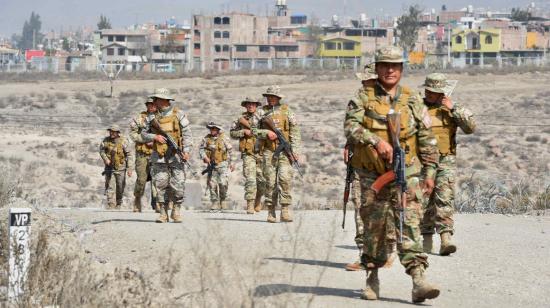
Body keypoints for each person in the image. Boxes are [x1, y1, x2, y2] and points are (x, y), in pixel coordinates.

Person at [344, 45, 440, 303]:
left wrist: (430, 171)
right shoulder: (363, 97)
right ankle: (372, 278)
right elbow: (350, 127)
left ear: (401, 70)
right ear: (376, 69)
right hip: (372, 175)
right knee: (374, 229)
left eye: (395, 66)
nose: (389, 70)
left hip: (407, 172)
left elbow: (426, 137)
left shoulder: (412, 99)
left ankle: (418, 279)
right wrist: (375, 141)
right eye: (385, 65)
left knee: (408, 224)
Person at [420, 73, 476, 256]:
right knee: (424, 200)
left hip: (445, 160)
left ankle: (445, 239)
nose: (429, 94)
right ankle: (426, 241)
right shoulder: (417, 107)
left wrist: (454, 109)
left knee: (444, 198)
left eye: (434, 91)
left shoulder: (451, 109)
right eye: (428, 90)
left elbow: (471, 128)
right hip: (422, 161)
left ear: (442, 93)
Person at [344, 64, 381, 271]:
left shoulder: (392, 101)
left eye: (370, 80)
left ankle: (385, 251)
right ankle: (365, 255)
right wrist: (349, 145)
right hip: (361, 162)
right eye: (365, 80)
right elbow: (351, 128)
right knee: (360, 207)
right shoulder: (357, 101)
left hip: (386, 164)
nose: (365, 83)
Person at [141, 88, 193, 223]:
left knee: (178, 184)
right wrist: (155, 136)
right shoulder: (151, 117)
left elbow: (187, 134)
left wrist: (186, 151)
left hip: (176, 155)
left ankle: (176, 210)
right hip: (159, 156)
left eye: (156, 99)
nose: (154, 102)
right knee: (160, 184)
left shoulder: (179, 115)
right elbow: (143, 134)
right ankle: (163, 213)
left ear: (164, 100)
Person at [256, 86, 301, 223]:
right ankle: (271, 211)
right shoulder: (261, 112)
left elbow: (295, 131)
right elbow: (252, 130)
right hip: (269, 151)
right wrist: (266, 133)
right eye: (268, 96)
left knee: (285, 179)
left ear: (278, 98)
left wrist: (295, 151)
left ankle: (285, 210)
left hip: (284, 152)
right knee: (270, 182)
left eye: (273, 96)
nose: (270, 99)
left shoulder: (287, 111)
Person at [229, 97, 266, 214]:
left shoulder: (263, 117)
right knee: (250, 179)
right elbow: (232, 133)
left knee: (263, 181)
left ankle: (258, 200)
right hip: (248, 153)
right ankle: (250, 204)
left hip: (262, 153)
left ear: (256, 105)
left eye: (253, 104)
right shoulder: (241, 118)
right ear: (245, 106)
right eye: (248, 104)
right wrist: (243, 132)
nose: (251, 106)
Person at [129, 98, 158, 212]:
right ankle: (137, 199)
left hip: (157, 153)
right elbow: (132, 134)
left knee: (157, 179)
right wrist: (145, 140)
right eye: (149, 105)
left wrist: (155, 141)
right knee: (141, 179)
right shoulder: (140, 118)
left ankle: (157, 203)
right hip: (142, 153)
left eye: (153, 104)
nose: (151, 107)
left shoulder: (161, 118)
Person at [199, 122, 234, 212]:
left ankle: (223, 200)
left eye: (214, 129)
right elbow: (201, 149)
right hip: (211, 165)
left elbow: (230, 150)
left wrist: (232, 163)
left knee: (223, 183)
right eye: (211, 129)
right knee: (212, 184)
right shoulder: (206, 139)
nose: (212, 130)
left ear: (218, 129)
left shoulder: (224, 138)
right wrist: (205, 157)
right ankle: (214, 202)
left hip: (223, 164)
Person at [99, 124, 133, 209]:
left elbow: (129, 155)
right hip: (110, 168)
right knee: (110, 185)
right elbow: (101, 151)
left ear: (118, 132)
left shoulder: (123, 141)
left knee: (120, 186)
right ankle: (111, 204)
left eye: (114, 132)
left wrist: (129, 168)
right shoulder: (106, 141)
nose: (112, 133)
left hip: (121, 168)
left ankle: (119, 203)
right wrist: (106, 159)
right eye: (111, 131)